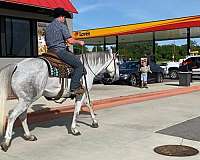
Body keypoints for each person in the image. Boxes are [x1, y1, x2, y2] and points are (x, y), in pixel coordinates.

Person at [45, 8, 85, 96]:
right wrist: (79, 42)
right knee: (79, 66)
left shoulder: (48, 27)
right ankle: (74, 88)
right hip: (59, 51)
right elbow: (70, 41)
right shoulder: (61, 26)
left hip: (49, 52)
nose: (64, 19)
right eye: (64, 17)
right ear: (61, 16)